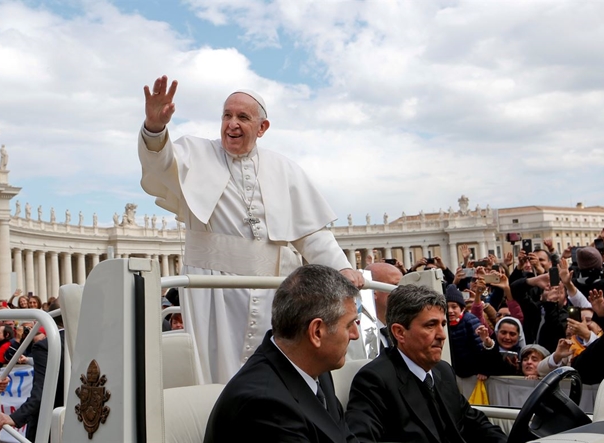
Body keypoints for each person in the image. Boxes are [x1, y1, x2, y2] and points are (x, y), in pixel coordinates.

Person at [138, 76, 363, 384]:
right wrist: (154, 128)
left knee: (276, 377)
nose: (232, 123)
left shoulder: (283, 169)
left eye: (242, 117)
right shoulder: (195, 152)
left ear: (262, 128)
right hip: (213, 291)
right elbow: (159, 163)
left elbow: (311, 233)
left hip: (275, 291)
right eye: (227, 115)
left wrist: (343, 267)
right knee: (216, 374)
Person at [204, 264, 360, 442]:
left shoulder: (317, 368)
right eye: (349, 325)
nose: (355, 335)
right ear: (316, 332)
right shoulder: (264, 406)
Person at [346, 285, 506, 443]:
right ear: (400, 332)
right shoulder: (374, 381)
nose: (442, 335)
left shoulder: (443, 371)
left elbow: (474, 422)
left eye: (443, 324)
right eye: (430, 325)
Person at [0, 302, 65, 442]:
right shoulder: (93, 343)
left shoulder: (45, 346)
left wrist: (14, 417)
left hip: (50, 426)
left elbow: (43, 391)